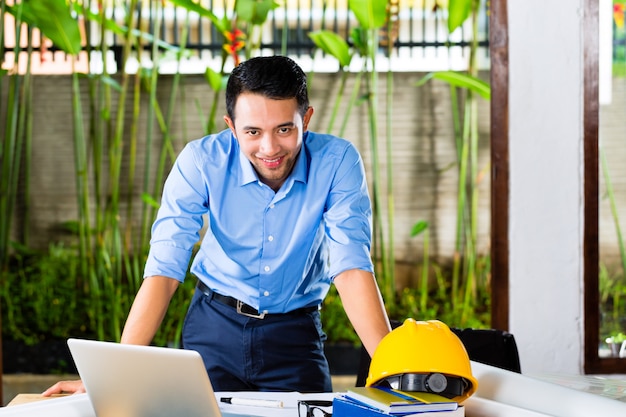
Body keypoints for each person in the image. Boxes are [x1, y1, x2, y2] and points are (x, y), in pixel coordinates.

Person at [44, 55, 391, 395]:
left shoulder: (338, 161)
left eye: (284, 129)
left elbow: (350, 267)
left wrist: (396, 372)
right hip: (214, 330)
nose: (269, 148)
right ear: (231, 126)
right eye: (252, 132)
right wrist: (111, 375)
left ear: (307, 118)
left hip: (295, 335)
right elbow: (164, 270)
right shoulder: (200, 161)